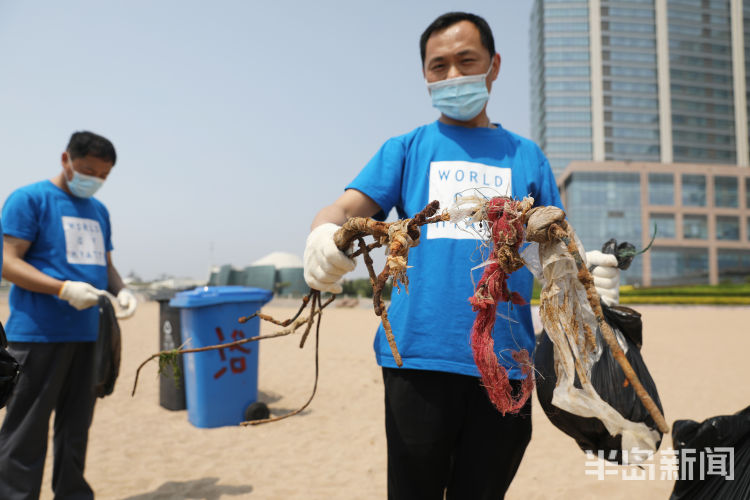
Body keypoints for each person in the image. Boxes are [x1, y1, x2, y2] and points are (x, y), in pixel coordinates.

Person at [303, 12, 620, 499]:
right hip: (417, 357)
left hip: (509, 361)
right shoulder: (407, 149)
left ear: (493, 66)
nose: (452, 76)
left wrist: (585, 277)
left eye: (465, 61)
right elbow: (345, 208)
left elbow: (552, 248)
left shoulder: (527, 156)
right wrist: (323, 235)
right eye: (439, 66)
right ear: (425, 76)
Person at [0, 131, 137, 500]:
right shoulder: (29, 200)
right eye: (89, 170)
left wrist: (122, 290)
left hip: (88, 334)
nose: (95, 180)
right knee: (26, 430)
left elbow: (105, 265)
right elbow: (7, 263)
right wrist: (62, 288)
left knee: (76, 428)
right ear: (66, 160)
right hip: (37, 334)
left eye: (104, 176)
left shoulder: (99, 211)